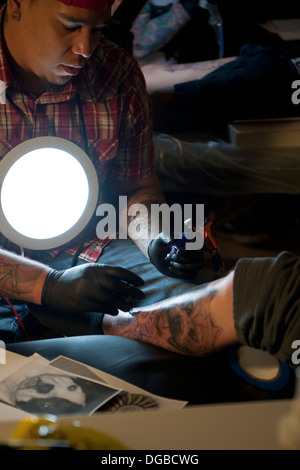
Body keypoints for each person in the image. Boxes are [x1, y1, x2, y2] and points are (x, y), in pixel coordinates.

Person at [0, 0, 204, 342]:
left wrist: (156, 236)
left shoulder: (116, 72)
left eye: (98, 30)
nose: (85, 49)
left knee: (195, 315)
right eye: (69, 26)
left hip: (85, 249)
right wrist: (46, 286)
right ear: (17, 4)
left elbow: (135, 188)